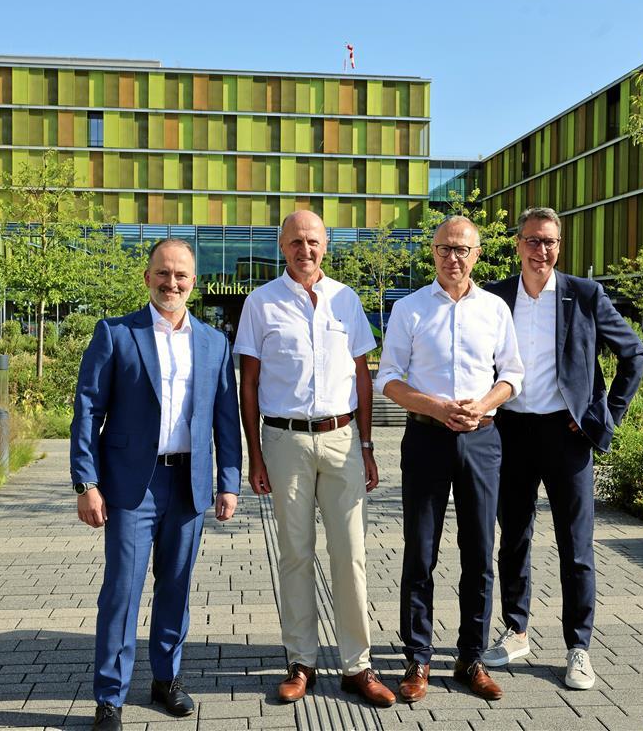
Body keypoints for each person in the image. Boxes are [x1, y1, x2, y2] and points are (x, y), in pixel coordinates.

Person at [70, 238, 242, 731]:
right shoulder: (116, 333)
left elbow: (224, 420)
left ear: (194, 283)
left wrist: (227, 481)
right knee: (121, 591)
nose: (172, 283)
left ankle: (166, 680)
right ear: (147, 277)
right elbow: (87, 410)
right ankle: (109, 698)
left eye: (181, 276)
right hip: (130, 487)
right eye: (163, 274)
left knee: (177, 586)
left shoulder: (213, 342)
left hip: (188, 484)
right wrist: (87, 482)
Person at [235, 210, 396, 708]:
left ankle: (357, 666)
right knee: (295, 553)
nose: (305, 249)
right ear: (282, 247)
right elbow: (249, 383)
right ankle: (300, 661)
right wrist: (254, 456)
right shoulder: (260, 303)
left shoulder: (347, 300)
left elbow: (362, 375)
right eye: (295, 241)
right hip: (284, 442)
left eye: (313, 241)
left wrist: (367, 446)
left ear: (326, 245)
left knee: (351, 553)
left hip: (343, 439)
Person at [480, 207, 643, 691]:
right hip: (510, 433)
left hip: (567, 435)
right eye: (533, 241)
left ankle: (579, 647)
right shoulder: (495, 298)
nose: (541, 250)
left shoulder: (585, 295)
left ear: (560, 245)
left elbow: (633, 353)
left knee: (576, 546)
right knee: (513, 539)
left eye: (550, 241)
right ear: (518, 245)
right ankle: (516, 631)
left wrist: (605, 416)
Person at [374, 215, 524, 704]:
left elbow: (512, 375)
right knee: (420, 552)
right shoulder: (410, 308)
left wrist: (482, 405)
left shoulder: (496, 310)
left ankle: (470, 657)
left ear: (477, 254)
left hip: (482, 440)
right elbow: (389, 378)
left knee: (480, 554)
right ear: (433, 253)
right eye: (444, 248)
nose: (453, 257)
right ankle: (417, 658)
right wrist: (436, 406)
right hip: (426, 439)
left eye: (462, 249)